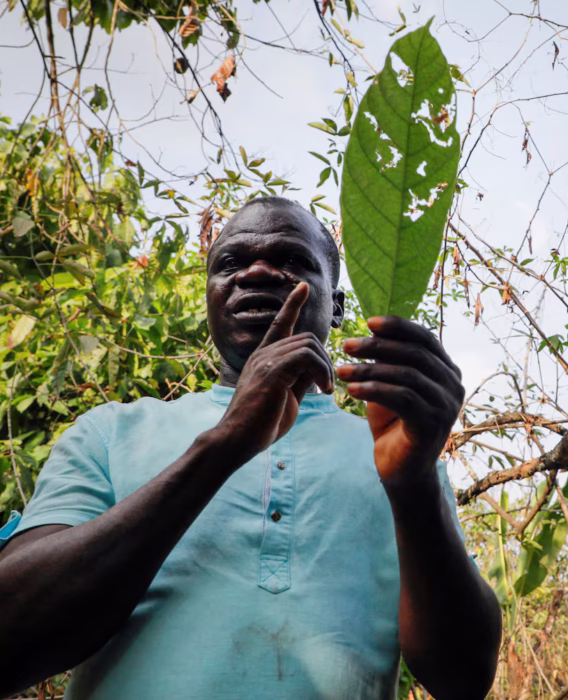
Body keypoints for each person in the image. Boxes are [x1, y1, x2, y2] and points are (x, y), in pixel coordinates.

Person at [0, 196, 502, 699]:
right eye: (231, 263)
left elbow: (462, 681)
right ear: (210, 298)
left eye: (293, 261)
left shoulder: (399, 452)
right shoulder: (109, 433)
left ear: (339, 306)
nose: (257, 271)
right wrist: (224, 443)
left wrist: (414, 484)